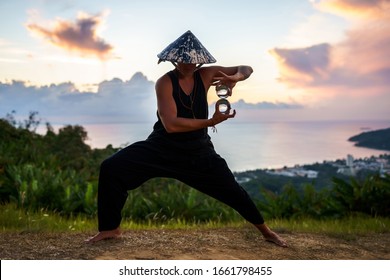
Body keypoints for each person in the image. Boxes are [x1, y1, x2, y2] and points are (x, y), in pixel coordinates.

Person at [86, 30, 287, 247]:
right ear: (174, 59)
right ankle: (110, 229)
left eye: (192, 60)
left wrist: (235, 78)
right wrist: (210, 122)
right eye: (183, 59)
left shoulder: (207, 75)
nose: (188, 64)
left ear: (199, 61)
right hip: (162, 147)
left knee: (233, 191)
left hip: (197, 151)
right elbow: (171, 125)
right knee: (112, 167)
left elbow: (246, 69)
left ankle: (266, 232)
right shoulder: (164, 82)